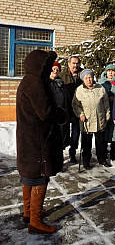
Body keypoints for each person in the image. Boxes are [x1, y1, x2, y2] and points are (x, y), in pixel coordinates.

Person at [16, 50, 64, 234]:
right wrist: (60, 114)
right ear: (39, 65)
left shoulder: (27, 81)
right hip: (38, 139)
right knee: (39, 176)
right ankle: (35, 221)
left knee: (29, 175)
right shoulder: (35, 83)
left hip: (28, 137)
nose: (48, 68)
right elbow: (46, 112)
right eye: (46, 65)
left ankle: (28, 213)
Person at [72, 69, 111, 169]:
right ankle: (86, 161)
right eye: (86, 78)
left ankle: (102, 159)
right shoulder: (79, 90)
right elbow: (76, 105)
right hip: (87, 121)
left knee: (101, 143)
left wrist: (107, 114)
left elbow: (106, 103)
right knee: (86, 144)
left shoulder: (100, 88)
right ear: (83, 80)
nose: (89, 80)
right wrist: (80, 114)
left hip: (99, 120)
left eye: (90, 77)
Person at [60, 56, 83, 163]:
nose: (75, 65)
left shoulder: (83, 75)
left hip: (78, 110)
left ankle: (72, 152)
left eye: (77, 63)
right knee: (63, 133)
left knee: (75, 134)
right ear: (68, 64)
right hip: (65, 109)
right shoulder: (62, 76)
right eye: (73, 63)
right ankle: (60, 153)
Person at [98, 64, 115, 161]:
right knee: (104, 132)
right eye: (108, 71)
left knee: (114, 132)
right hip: (103, 110)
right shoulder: (100, 82)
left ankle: (112, 152)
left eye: (112, 71)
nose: (110, 73)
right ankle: (104, 151)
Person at [49, 61, 71, 149]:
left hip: (62, 115)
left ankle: (59, 159)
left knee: (61, 138)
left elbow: (67, 99)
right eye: (53, 69)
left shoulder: (61, 83)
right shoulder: (46, 83)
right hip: (51, 115)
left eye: (57, 70)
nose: (55, 71)